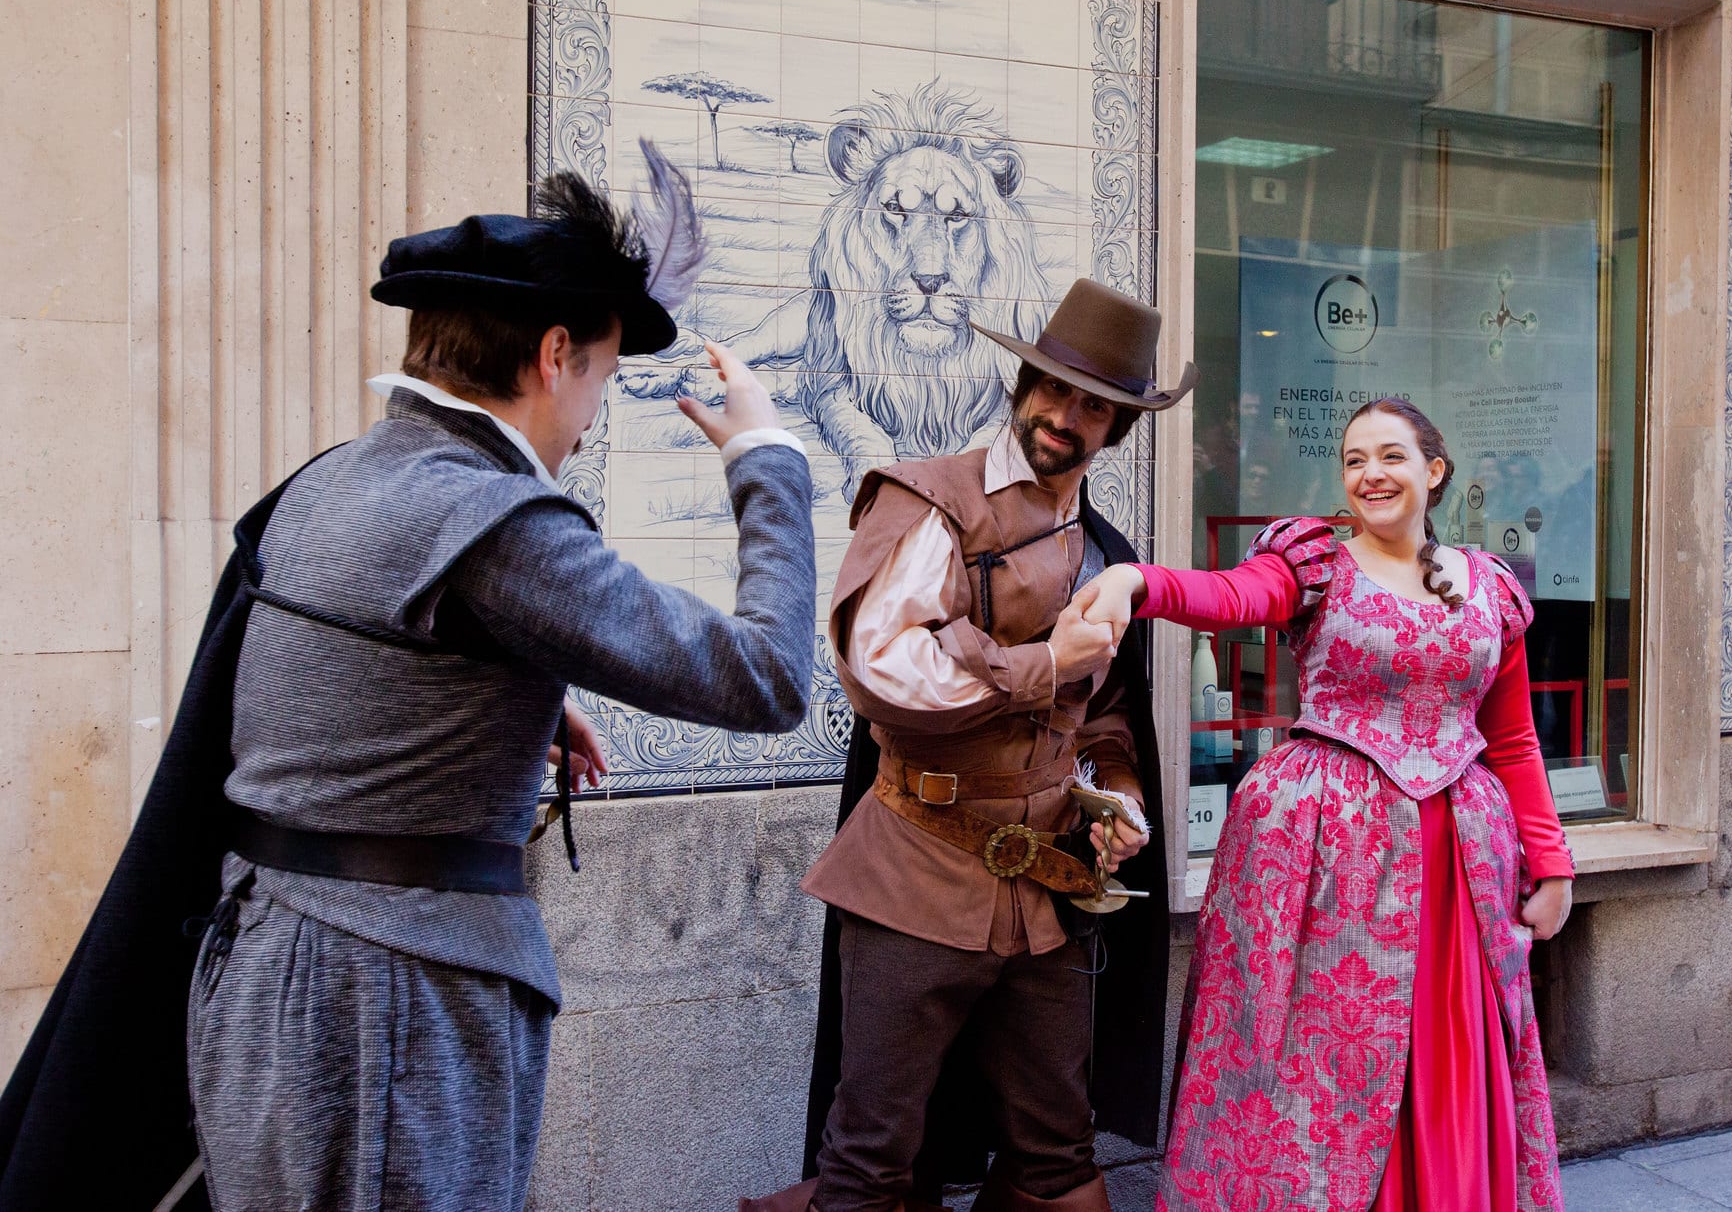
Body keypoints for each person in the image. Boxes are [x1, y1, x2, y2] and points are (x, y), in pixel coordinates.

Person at [0, 171, 817, 1212]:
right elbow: (766, 678)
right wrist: (766, 457)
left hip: (262, 969)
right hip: (387, 1003)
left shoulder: (327, 482)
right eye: (602, 379)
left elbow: (340, 675)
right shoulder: (495, 524)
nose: (588, 415)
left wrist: (507, 697)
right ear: (554, 354)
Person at [747, 279, 1195, 1212]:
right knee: (873, 1158)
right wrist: (1041, 662)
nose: (1065, 417)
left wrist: (1122, 798)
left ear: (1118, 429)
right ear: (1021, 382)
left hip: (1045, 890)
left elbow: (1108, 712)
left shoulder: (1106, 554)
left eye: (1095, 406)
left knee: (1058, 1156)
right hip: (915, 872)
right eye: (1053, 389)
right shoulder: (931, 499)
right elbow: (881, 669)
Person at [1077, 396, 1575, 1211]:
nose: (1370, 474)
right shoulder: (1315, 564)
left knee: (1443, 1046)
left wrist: (1550, 862)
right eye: (1354, 460)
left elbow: (1513, 739)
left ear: (1433, 471)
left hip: (1458, 862)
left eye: (1390, 456)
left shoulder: (1489, 588)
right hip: (1326, 857)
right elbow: (1232, 595)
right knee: (1314, 1059)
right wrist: (1141, 581)